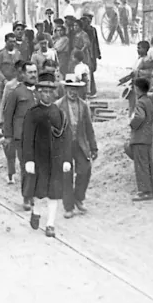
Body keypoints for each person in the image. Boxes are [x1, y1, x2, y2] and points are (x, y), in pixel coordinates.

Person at [21, 70, 69, 237]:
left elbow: (64, 137)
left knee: (54, 192)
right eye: (44, 92)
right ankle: (36, 212)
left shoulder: (58, 112)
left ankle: (50, 224)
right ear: (38, 92)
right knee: (39, 191)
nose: (47, 95)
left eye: (50, 92)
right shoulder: (32, 113)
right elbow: (27, 138)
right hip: (38, 159)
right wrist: (28, 160)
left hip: (55, 159)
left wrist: (66, 159)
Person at [59, 73, 96, 218]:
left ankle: (78, 198)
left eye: (75, 89)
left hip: (80, 144)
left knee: (85, 170)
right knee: (66, 175)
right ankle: (68, 207)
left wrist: (93, 147)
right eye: (70, 88)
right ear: (65, 88)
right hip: (64, 146)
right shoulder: (58, 105)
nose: (73, 92)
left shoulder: (84, 105)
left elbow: (89, 128)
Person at [1, 62, 39, 200]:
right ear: (23, 74)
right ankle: (27, 197)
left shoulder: (40, 92)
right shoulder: (16, 92)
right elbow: (8, 114)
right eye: (30, 72)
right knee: (26, 166)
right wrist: (8, 136)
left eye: (35, 72)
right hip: (22, 137)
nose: (33, 75)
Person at [128, 77, 153, 200]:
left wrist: (132, 125)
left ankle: (145, 191)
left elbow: (139, 117)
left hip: (139, 137)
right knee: (147, 164)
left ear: (137, 88)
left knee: (141, 165)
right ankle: (151, 190)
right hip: (147, 136)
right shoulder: (148, 101)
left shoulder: (140, 102)